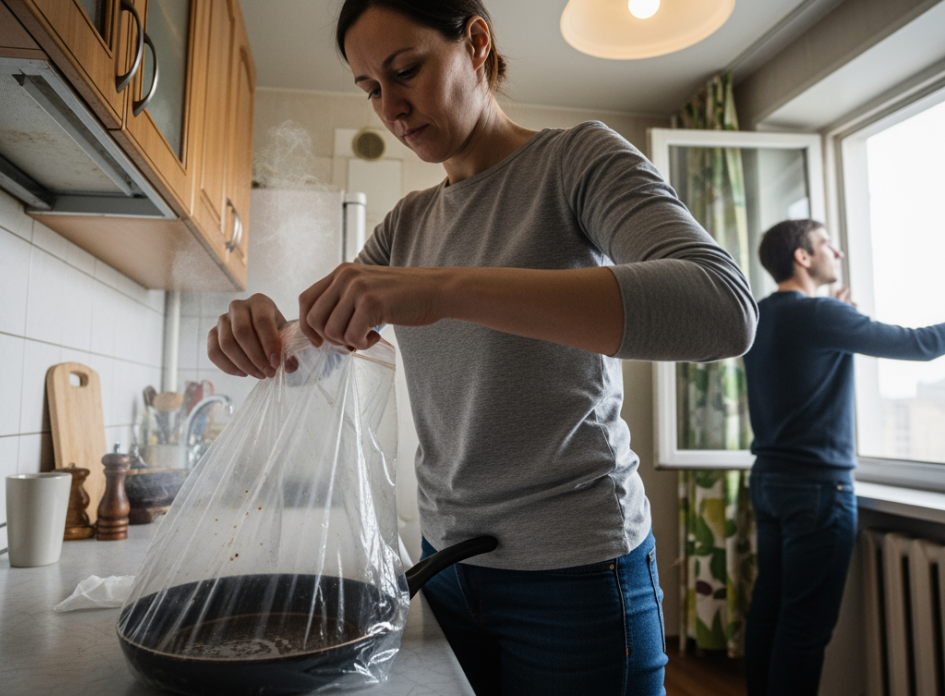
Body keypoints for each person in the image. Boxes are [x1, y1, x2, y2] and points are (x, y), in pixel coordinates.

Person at [207, 1, 759, 692]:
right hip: (443, 566)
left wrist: (444, 289)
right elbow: (310, 353)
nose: (391, 108)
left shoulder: (577, 161)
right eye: (371, 88)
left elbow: (721, 308)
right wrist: (262, 337)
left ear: (475, 42)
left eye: (405, 71)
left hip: (577, 577)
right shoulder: (406, 224)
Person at [741, 219, 945, 696]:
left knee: (768, 612)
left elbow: (802, 371)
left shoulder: (760, 315)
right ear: (803, 257)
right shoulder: (820, 314)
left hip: (769, 481)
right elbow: (921, 345)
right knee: (803, 629)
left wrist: (839, 317)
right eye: (827, 243)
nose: (837, 252)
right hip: (817, 489)